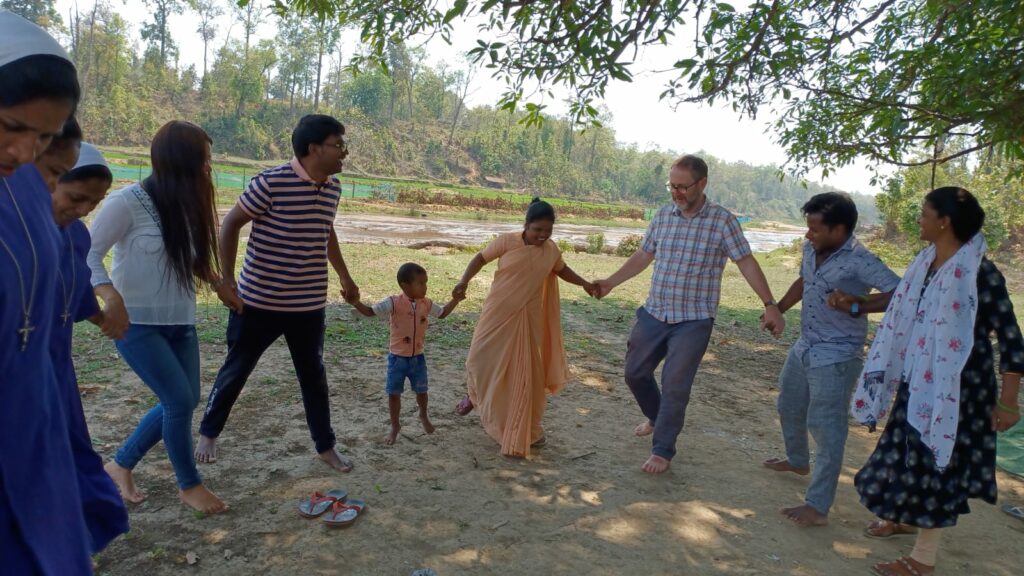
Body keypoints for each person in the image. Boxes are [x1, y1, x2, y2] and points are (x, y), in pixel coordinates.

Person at [851, 187, 1023, 576]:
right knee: (902, 452)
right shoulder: (925, 265)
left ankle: (922, 560)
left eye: (924, 213)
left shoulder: (980, 274)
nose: (919, 219)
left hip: (959, 389)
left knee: (934, 463)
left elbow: (1011, 338)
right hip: (919, 377)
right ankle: (901, 518)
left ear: (944, 222)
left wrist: (1009, 401)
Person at [593, 154, 784, 474]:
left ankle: (662, 449)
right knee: (635, 373)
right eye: (672, 186)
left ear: (702, 183)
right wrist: (611, 282)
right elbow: (643, 255)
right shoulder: (663, 216)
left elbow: (746, 262)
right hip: (655, 311)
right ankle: (656, 417)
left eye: (683, 187)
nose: (677, 193)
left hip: (695, 318)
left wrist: (770, 303)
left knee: (675, 383)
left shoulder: (722, 221)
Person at [196, 114, 359, 473]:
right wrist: (228, 280)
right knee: (236, 370)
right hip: (257, 302)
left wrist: (345, 276)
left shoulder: (332, 188)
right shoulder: (270, 182)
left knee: (314, 377)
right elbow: (231, 224)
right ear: (314, 148)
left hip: (309, 305)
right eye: (338, 145)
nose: (344, 153)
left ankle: (325, 446)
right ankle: (208, 432)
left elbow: (326, 231)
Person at [88, 120, 233, 514]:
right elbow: (87, 254)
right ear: (179, 161)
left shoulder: (186, 204)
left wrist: (218, 283)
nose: (208, 168)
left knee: (184, 400)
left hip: (180, 322)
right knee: (178, 400)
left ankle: (119, 465)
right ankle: (189, 485)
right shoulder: (125, 202)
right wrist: (109, 295)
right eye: (203, 160)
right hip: (136, 324)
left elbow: (191, 259)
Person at [0, 9, 95, 574]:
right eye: (11, 126)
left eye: (41, 137)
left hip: (28, 422)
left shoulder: (26, 191)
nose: (23, 153)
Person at [762, 192, 900, 527]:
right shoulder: (811, 249)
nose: (808, 234)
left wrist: (857, 306)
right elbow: (804, 281)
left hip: (837, 354)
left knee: (826, 428)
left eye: (815, 229)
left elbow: (900, 292)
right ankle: (798, 460)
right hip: (806, 345)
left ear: (839, 230)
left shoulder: (861, 260)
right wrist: (777, 309)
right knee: (789, 405)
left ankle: (818, 505)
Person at [37, 137, 132, 551]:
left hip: (56, 366)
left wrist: (102, 316)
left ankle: (70, 541)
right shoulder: (18, 232)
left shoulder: (76, 236)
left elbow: (74, 290)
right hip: (19, 367)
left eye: (94, 202)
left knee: (68, 452)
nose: (84, 210)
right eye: (76, 197)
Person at [453, 198, 597, 458]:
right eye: (537, 230)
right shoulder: (507, 241)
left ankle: (527, 430)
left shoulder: (551, 250)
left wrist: (585, 283)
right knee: (478, 360)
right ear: (526, 225)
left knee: (524, 373)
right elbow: (480, 258)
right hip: (497, 310)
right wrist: (463, 281)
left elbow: (563, 270)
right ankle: (475, 397)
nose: (542, 235)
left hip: (527, 317)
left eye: (548, 231)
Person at [347, 262, 464, 444]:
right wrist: (356, 302)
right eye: (421, 283)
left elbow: (442, 313)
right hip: (397, 359)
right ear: (405, 286)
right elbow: (370, 312)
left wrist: (455, 300)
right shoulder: (394, 302)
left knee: (422, 391)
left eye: (426, 282)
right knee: (394, 394)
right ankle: (395, 426)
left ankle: (423, 415)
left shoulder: (426, 303)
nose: (425, 287)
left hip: (418, 358)